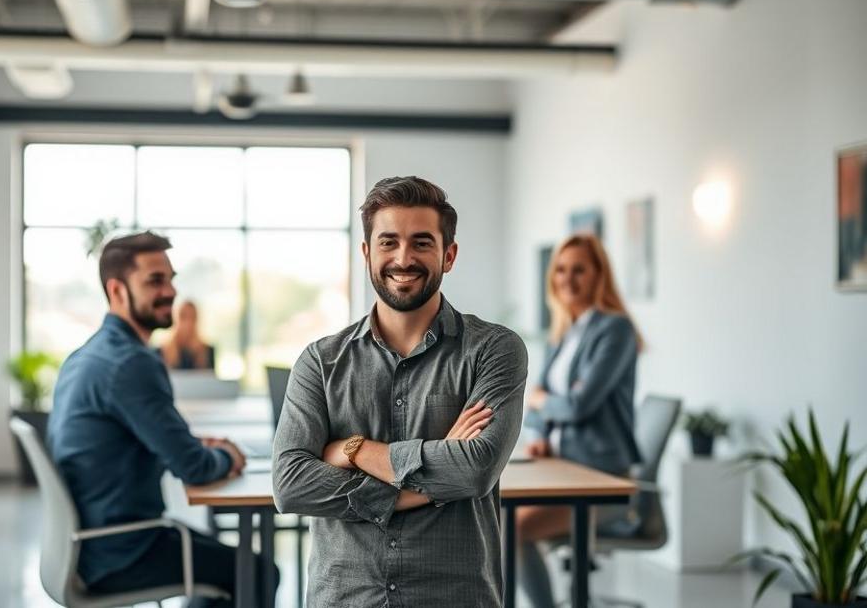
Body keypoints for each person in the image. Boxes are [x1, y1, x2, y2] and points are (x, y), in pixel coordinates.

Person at [272, 176, 528, 607]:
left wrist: (353, 450)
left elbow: (475, 470)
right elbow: (291, 483)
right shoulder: (320, 361)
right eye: (388, 242)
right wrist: (427, 480)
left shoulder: (493, 350)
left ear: (448, 255)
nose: (404, 258)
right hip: (345, 598)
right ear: (367, 253)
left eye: (422, 243)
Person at [47, 231, 276, 606]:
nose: (170, 291)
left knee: (232, 564)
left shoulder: (87, 355)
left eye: (171, 279)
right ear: (118, 291)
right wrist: (229, 456)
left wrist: (194, 448)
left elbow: (143, 438)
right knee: (260, 571)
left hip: (93, 542)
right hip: (123, 551)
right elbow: (196, 468)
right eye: (155, 281)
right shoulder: (132, 363)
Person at [516, 233, 643, 608]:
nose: (566, 279)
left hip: (603, 482)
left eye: (578, 270)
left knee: (514, 528)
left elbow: (577, 406)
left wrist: (542, 400)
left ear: (599, 275)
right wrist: (539, 432)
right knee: (499, 519)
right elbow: (541, 402)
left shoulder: (615, 330)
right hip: (560, 469)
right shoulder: (567, 331)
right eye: (560, 270)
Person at [161, 300, 216, 372]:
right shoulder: (162, 351)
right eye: (183, 316)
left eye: (192, 317)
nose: (188, 322)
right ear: (176, 319)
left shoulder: (208, 351)